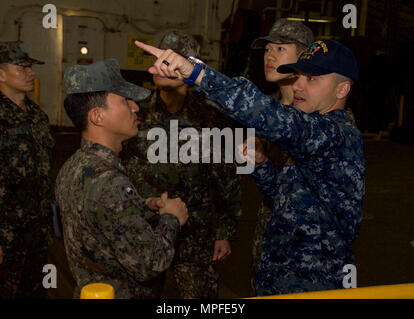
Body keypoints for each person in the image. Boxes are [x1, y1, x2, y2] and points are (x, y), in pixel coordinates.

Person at [134, 38, 365, 296]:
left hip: (311, 286)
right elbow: (289, 199)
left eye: (312, 79)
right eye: (298, 75)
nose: (298, 84)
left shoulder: (335, 135)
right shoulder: (316, 136)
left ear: (342, 89)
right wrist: (263, 165)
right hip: (280, 279)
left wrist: (196, 73)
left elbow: (267, 113)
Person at [121, 30, 242, 299]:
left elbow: (226, 177)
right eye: (159, 58)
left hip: (194, 237)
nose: (161, 66)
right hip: (145, 232)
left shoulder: (210, 115)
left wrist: (224, 231)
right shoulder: (135, 110)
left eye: (170, 60)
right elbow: (118, 168)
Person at [55, 58, 189, 299]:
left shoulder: (74, 166)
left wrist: (143, 205)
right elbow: (150, 264)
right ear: (98, 116)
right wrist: (172, 218)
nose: (135, 107)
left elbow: (103, 224)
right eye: (124, 101)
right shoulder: (109, 181)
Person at [0, 41, 54, 298]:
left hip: (36, 239)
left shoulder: (38, 117)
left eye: (30, 67)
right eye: (22, 67)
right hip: (2, 243)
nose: (30, 72)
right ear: (0, 74)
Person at [248, 19, 313, 292]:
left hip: (307, 241)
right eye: (267, 49)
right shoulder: (269, 108)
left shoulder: (320, 112)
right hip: (268, 229)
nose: (270, 56)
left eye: (280, 49)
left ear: (306, 57)